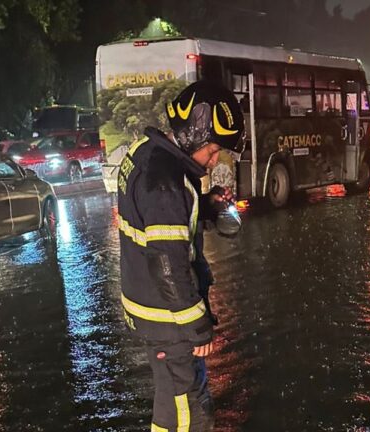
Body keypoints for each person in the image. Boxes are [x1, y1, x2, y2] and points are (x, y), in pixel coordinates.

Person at [117, 80, 245, 432]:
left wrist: (204, 205)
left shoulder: (145, 153)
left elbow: (157, 220)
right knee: (193, 410)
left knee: (169, 401)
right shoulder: (166, 181)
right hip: (169, 319)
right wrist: (197, 327)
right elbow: (168, 264)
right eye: (213, 149)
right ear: (195, 133)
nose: (215, 158)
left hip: (148, 309)